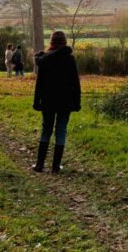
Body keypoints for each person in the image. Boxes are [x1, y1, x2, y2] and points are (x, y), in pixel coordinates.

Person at [32, 31, 81, 173]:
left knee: (46, 130)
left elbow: (39, 83)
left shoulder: (45, 59)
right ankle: (55, 166)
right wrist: (77, 102)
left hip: (48, 100)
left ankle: (39, 164)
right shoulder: (70, 59)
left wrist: (36, 101)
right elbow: (75, 82)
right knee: (61, 130)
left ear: (51, 42)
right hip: (65, 101)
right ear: (64, 42)